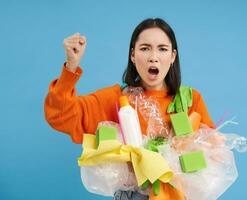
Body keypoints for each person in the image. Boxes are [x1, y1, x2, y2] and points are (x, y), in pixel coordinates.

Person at [44, 18, 215, 200]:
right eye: (145, 48)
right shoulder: (117, 99)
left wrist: (212, 144)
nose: (153, 56)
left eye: (162, 49)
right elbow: (60, 115)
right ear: (133, 55)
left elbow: (211, 155)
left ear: (172, 57)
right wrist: (71, 66)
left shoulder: (190, 100)